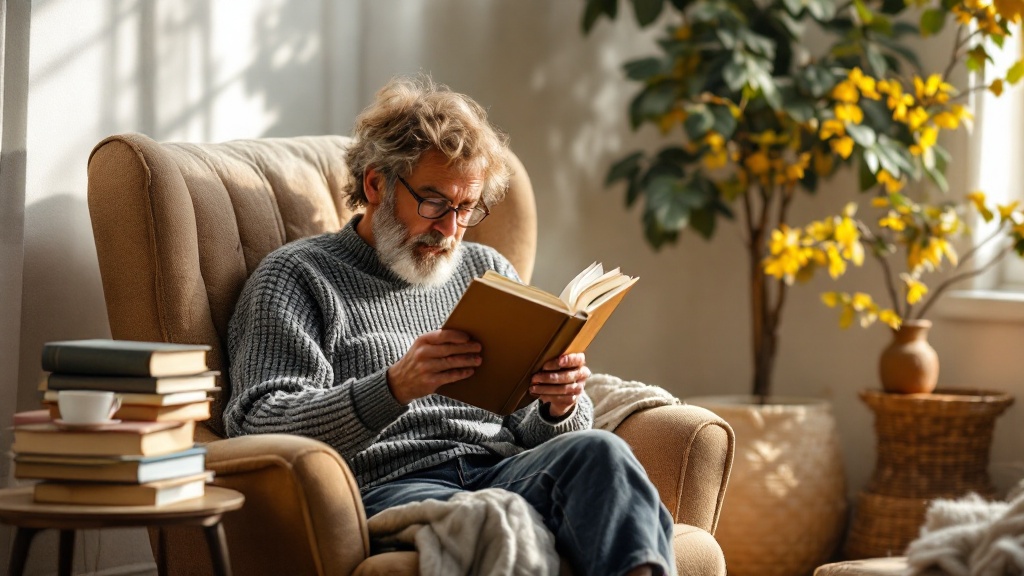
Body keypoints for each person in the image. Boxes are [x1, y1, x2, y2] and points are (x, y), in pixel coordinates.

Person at [224, 75, 675, 576]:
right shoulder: (298, 276)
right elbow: (258, 421)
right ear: (376, 184)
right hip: (395, 483)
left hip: (502, 468)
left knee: (602, 452)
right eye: (435, 202)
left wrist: (556, 405)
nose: (450, 229)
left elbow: (524, 425)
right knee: (491, 518)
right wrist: (393, 387)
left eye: (466, 208)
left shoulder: (485, 269)